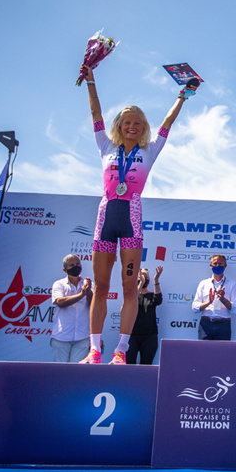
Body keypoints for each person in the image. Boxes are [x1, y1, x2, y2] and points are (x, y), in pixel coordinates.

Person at [79, 64, 195, 365]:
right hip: (105, 219)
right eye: (127, 122)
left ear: (144, 128)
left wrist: (183, 95)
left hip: (131, 219)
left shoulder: (151, 150)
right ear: (120, 125)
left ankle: (120, 350)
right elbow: (95, 114)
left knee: (130, 287)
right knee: (102, 287)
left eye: (138, 123)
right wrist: (91, 81)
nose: (133, 127)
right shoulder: (105, 145)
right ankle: (94, 350)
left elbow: (168, 122)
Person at [50, 254, 92, 363]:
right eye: (72, 265)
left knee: (77, 371)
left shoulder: (88, 284)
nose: (76, 266)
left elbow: (94, 304)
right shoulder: (59, 284)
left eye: (78, 264)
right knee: (60, 371)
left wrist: (88, 292)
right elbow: (60, 302)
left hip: (82, 336)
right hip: (61, 336)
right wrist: (81, 294)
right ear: (65, 269)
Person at [191, 255, 236, 340]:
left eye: (220, 264)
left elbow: (235, 309)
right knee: (203, 352)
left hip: (224, 324)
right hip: (206, 323)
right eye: (215, 263)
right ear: (210, 266)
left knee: (223, 352)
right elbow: (195, 308)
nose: (217, 266)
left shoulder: (232, 284)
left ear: (225, 266)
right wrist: (209, 302)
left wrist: (223, 300)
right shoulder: (203, 283)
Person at [128, 266, 163, 364]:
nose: (144, 280)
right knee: (129, 364)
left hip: (149, 335)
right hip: (132, 335)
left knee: (146, 365)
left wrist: (156, 280)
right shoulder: (132, 295)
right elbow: (131, 301)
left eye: (146, 278)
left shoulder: (151, 295)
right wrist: (140, 283)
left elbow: (158, 300)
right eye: (140, 278)